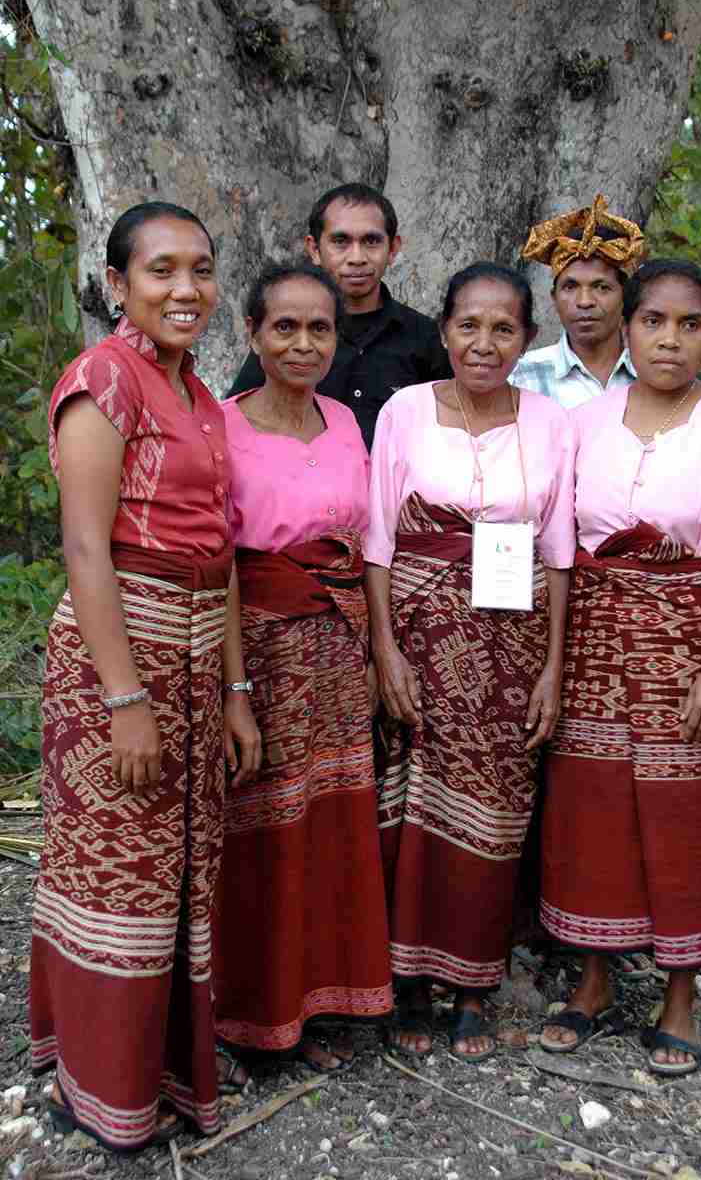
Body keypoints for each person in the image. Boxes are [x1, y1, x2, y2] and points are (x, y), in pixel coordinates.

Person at [30, 202, 261, 1151]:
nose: (186, 289)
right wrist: (126, 701)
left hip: (201, 658)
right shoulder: (104, 380)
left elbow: (224, 550)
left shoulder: (204, 398)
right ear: (118, 283)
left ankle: (163, 1066)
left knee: (177, 872)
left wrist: (239, 692)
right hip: (116, 660)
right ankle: (99, 1086)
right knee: (116, 873)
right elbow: (86, 545)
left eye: (201, 269)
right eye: (161, 270)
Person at [538, 259, 701, 1075]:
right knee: (591, 807)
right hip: (594, 641)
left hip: (684, 637)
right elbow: (560, 554)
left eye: (690, 325)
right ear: (629, 327)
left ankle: (680, 991)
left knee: (681, 810)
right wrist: (555, 661)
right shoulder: (583, 423)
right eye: (655, 321)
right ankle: (593, 980)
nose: (670, 340)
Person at [364, 262, 576, 1061]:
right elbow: (378, 541)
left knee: (495, 813)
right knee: (406, 804)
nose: (484, 344)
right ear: (444, 330)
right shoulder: (405, 412)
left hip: (512, 648)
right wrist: (385, 649)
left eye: (504, 329)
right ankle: (409, 982)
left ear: (526, 339)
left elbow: (558, 552)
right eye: (468, 326)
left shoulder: (552, 423)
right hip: (418, 639)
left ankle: (475, 984)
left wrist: (553, 668)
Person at [213, 262, 393, 1072]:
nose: (302, 343)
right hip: (258, 646)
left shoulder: (347, 424)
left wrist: (376, 648)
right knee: (259, 827)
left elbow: (365, 545)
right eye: (284, 326)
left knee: (326, 822)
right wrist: (235, 689)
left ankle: (316, 1001)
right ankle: (249, 1013)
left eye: (320, 327)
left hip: (338, 649)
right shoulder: (219, 425)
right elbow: (215, 562)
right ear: (252, 334)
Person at [226, 183, 450, 448]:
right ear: (314, 249)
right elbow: (238, 424)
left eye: (371, 241)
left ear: (392, 248)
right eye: (341, 241)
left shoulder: (424, 338)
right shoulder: (285, 337)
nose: (357, 258)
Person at [510, 193, 645, 408]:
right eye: (570, 287)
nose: (584, 301)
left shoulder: (651, 374)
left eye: (601, 287)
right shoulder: (520, 378)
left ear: (625, 296)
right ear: (554, 298)